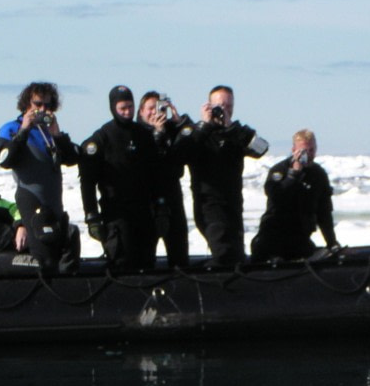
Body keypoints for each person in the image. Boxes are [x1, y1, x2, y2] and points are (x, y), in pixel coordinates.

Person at [0, 82, 82, 273]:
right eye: (38, 104)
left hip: (54, 205)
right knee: (44, 258)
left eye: (48, 106)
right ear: (27, 104)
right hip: (31, 201)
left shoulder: (48, 132)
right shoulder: (11, 128)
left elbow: (74, 156)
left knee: (68, 245)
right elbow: (5, 159)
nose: (43, 109)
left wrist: (58, 135)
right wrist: (24, 130)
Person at [180, 85, 269, 267]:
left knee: (236, 254)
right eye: (220, 106)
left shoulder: (237, 134)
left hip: (233, 205)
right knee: (224, 253)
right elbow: (182, 154)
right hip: (209, 206)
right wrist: (203, 126)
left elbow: (262, 148)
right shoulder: (199, 134)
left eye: (229, 106)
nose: (224, 110)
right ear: (209, 106)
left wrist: (231, 128)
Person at [78, 86, 161, 272]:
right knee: (122, 262)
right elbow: (87, 181)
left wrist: (161, 208)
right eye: (122, 107)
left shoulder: (144, 136)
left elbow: (156, 176)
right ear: (113, 107)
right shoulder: (102, 138)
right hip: (116, 215)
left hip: (144, 213)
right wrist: (91, 216)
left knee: (147, 263)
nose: (127, 112)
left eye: (130, 107)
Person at [250, 129, 339, 262]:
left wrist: (332, 242)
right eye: (304, 151)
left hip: (300, 239)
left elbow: (324, 212)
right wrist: (294, 174)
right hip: (274, 238)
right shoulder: (279, 171)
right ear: (294, 150)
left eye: (311, 150)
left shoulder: (318, 175)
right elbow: (276, 197)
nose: (308, 155)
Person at [137, 90, 191, 268]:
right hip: (146, 201)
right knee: (145, 258)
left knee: (179, 256)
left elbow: (193, 142)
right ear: (141, 111)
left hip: (172, 199)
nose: (155, 113)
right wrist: (157, 135)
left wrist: (180, 121)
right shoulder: (135, 134)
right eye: (150, 108)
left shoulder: (174, 132)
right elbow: (149, 164)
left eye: (159, 108)